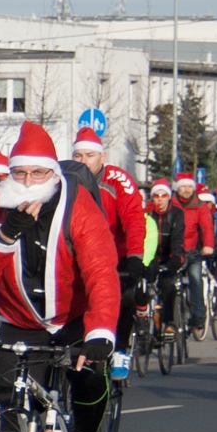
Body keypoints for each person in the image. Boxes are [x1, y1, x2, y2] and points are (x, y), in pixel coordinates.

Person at [0, 122, 120, 432]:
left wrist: (100, 332)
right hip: (18, 320)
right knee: (4, 395)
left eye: (38, 172)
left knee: (90, 375)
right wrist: (5, 234)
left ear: (54, 173)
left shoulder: (78, 206)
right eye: (20, 172)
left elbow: (101, 272)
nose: (29, 181)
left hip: (71, 317)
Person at [69, 127, 145, 379]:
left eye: (89, 155)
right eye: (78, 156)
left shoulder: (118, 181)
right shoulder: (67, 178)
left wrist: (135, 256)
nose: (82, 161)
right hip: (81, 253)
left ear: (102, 157)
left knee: (126, 298)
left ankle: (121, 348)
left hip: (116, 255)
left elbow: (134, 218)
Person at [173, 176, 214, 334]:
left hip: (192, 251)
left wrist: (208, 245)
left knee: (196, 279)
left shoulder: (200, 205)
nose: (187, 190)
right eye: (183, 187)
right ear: (177, 188)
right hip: (174, 251)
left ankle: (198, 317)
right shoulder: (171, 204)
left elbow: (207, 226)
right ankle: (164, 316)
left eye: (190, 187)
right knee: (166, 281)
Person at [146, 179, 187, 334]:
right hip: (151, 257)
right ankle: (144, 325)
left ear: (169, 197)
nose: (160, 199)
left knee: (166, 284)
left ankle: (170, 321)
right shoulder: (147, 213)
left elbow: (178, 238)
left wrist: (176, 257)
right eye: (157, 196)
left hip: (170, 257)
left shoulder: (176, 214)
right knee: (143, 287)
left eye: (164, 195)